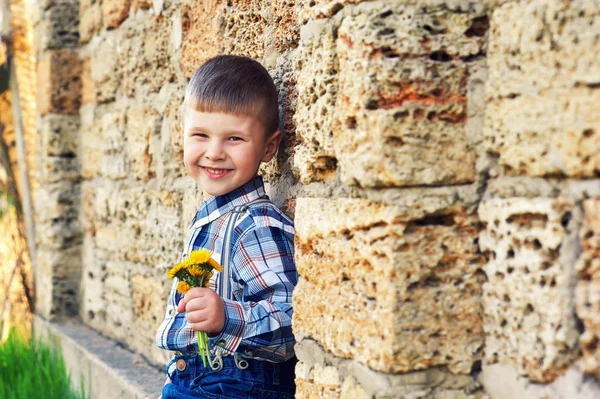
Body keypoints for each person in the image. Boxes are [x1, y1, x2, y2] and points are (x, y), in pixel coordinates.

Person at [155, 55, 297, 399]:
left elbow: (290, 317)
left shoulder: (256, 223)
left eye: (234, 139)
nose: (214, 152)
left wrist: (226, 317)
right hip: (195, 379)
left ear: (269, 147)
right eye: (201, 135)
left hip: (235, 384)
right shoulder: (213, 218)